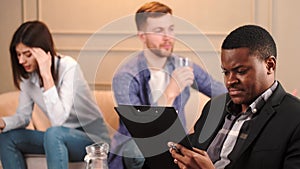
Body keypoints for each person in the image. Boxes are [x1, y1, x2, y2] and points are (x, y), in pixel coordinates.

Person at [108, 1, 227, 169]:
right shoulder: (125, 75)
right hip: (136, 144)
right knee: (138, 152)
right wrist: (170, 92)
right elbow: (142, 129)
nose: (168, 37)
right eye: (159, 31)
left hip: (173, 142)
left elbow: (223, 94)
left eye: (170, 29)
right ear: (142, 36)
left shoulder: (183, 65)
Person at [169, 24, 300, 169]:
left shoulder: (295, 118)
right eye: (226, 72)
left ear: (269, 65)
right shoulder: (214, 107)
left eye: (241, 71)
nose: (230, 81)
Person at [0, 20, 110, 169]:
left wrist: (46, 75)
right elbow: (23, 117)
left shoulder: (69, 67)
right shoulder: (29, 78)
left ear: (43, 52)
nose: (21, 60)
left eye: (27, 54)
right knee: (7, 138)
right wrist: (4, 123)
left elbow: (58, 120)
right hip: (59, 137)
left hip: (92, 140)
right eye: (18, 54)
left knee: (54, 133)